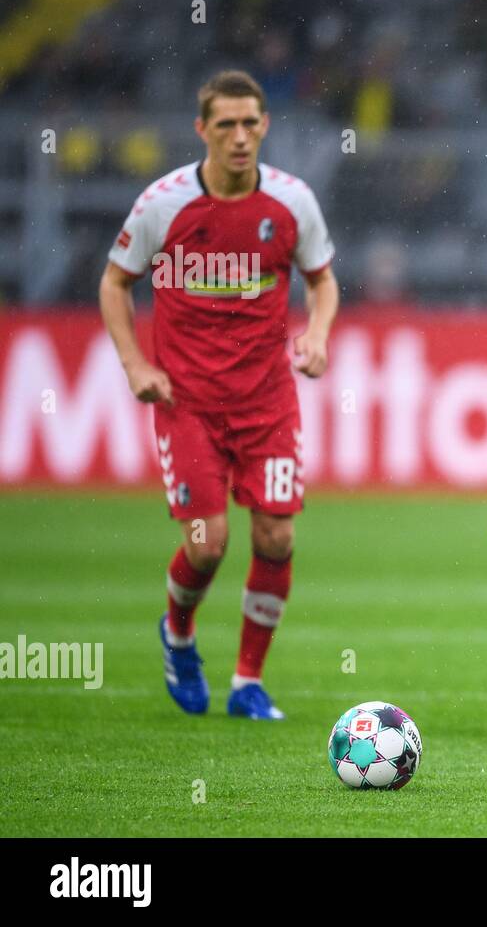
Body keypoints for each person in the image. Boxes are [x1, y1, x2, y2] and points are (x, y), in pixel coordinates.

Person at [99, 70, 339, 721]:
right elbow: (115, 283)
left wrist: (316, 335)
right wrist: (134, 365)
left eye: (250, 123)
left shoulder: (291, 203)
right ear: (202, 130)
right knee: (207, 544)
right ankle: (178, 633)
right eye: (226, 125)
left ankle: (248, 683)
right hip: (190, 403)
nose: (240, 137)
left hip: (267, 400)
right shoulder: (164, 204)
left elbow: (322, 281)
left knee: (276, 538)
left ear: (265, 126)